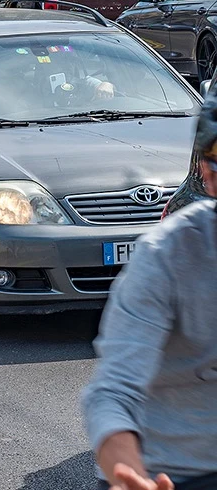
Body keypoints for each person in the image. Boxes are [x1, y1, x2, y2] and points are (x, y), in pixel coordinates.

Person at [80, 89, 217, 490]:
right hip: (170, 472)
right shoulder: (166, 256)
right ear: (207, 174)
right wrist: (127, 474)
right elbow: (112, 393)